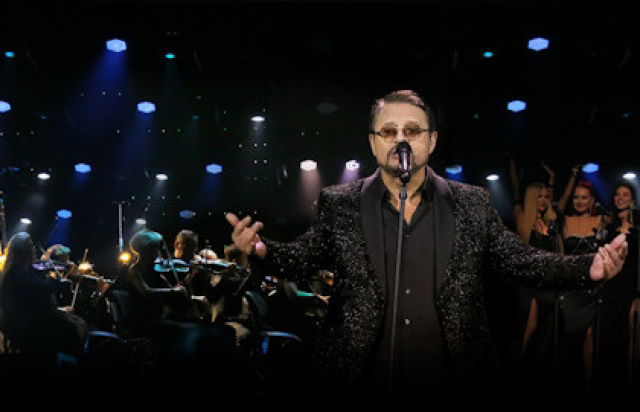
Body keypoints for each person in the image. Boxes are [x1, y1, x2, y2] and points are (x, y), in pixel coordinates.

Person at [225, 89, 627, 401]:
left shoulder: (471, 203)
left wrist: (587, 267)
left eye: (412, 131)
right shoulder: (339, 203)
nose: (400, 140)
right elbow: (304, 256)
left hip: (451, 378)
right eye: (389, 132)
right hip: (359, 377)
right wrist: (261, 249)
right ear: (373, 142)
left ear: (431, 141)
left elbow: (520, 259)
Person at [506, 158, 563, 389]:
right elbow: (515, 190)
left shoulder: (550, 221)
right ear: (532, 198)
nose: (543, 200)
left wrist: (552, 180)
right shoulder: (523, 218)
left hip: (547, 285)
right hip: (528, 284)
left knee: (545, 332)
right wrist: (511, 164)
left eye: (546, 197)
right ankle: (515, 376)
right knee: (528, 330)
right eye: (539, 196)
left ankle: (536, 379)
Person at [0, 232, 87, 356]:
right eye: (30, 246)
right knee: (75, 328)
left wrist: (58, 309)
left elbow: (37, 298)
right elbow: (43, 288)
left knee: (78, 322)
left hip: (31, 319)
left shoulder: (24, 271)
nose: (34, 250)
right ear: (22, 252)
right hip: (24, 326)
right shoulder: (17, 275)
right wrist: (62, 282)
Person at [597, 183, 639, 393]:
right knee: (608, 331)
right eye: (617, 194)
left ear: (632, 200)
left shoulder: (637, 229)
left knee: (629, 333)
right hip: (611, 286)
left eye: (625, 195)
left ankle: (627, 384)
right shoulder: (609, 227)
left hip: (630, 288)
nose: (620, 198)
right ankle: (606, 384)